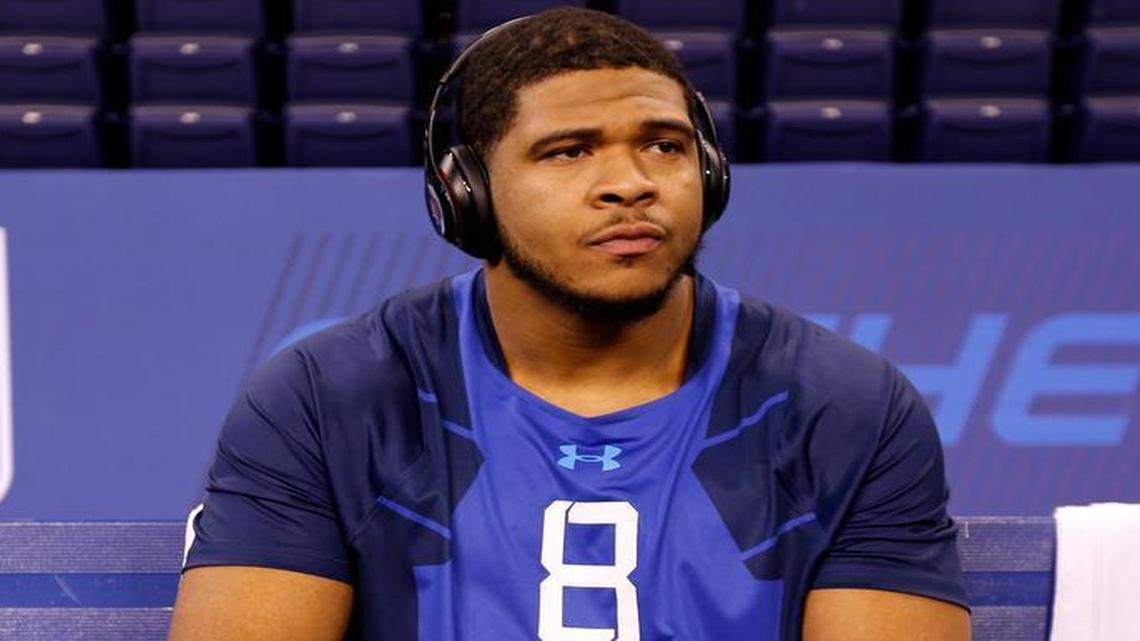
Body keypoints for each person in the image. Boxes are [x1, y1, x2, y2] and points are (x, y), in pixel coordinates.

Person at [168, 7, 970, 640]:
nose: (630, 183)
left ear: (711, 174)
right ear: (465, 193)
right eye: (568, 152)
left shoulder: (846, 405)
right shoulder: (326, 398)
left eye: (663, 145)